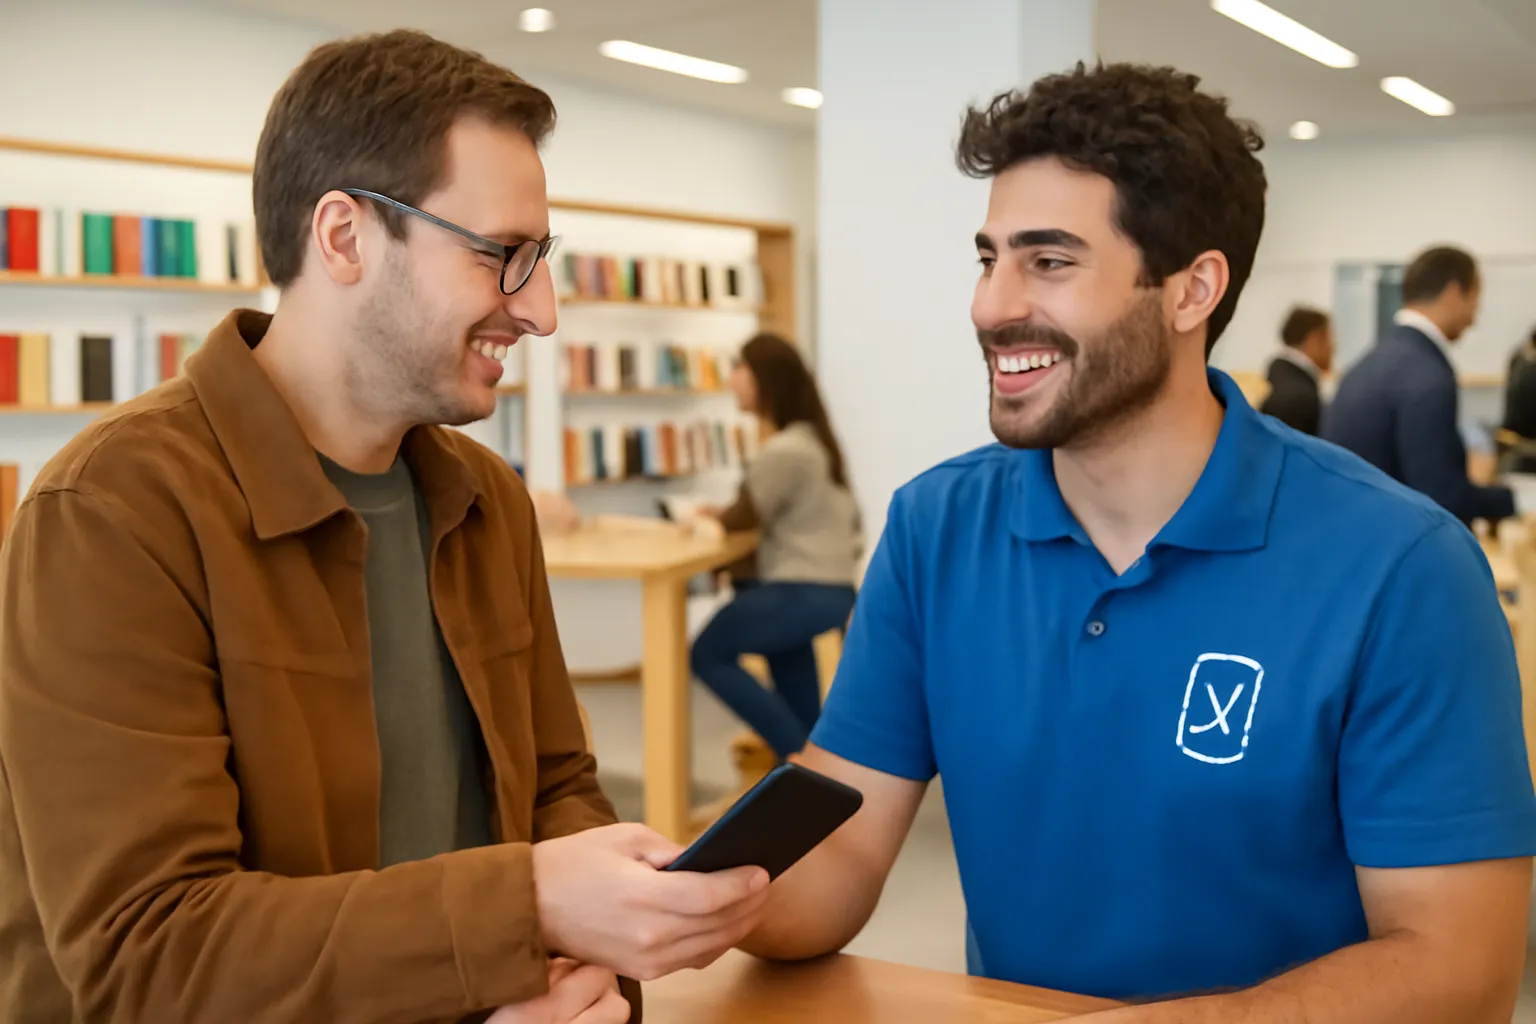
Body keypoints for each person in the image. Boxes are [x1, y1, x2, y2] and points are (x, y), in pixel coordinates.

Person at [0, 30, 768, 1024]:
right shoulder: (109, 515)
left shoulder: (487, 499)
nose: (540, 313)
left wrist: (589, 972)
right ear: (345, 235)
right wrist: (533, 903)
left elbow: (558, 788)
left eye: (541, 261)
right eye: (504, 257)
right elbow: (150, 956)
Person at [741, 63, 1536, 1022]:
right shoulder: (934, 528)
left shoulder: (1404, 567)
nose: (990, 307)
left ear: (1192, 289)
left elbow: (1462, 965)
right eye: (988, 257)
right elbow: (841, 842)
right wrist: (686, 896)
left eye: (1049, 261)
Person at [689, 333, 862, 761]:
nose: (732, 380)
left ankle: (803, 759)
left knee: (707, 653)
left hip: (801, 589)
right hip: (828, 591)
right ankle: (812, 777)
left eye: (739, 368)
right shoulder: (812, 441)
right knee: (802, 704)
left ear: (765, 378)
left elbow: (740, 519)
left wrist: (704, 518)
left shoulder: (785, 450)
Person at [1322, 246, 1516, 526]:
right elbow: (1441, 497)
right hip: (1393, 547)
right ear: (1453, 292)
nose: (1475, 317)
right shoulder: (1426, 374)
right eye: (1475, 298)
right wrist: (1514, 500)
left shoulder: (1370, 363)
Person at [1258, 306, 1331, 434]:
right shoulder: (1300, 397)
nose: (1333, 347)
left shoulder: (1281, 379)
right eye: (1329, 338)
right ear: (1314, 340)